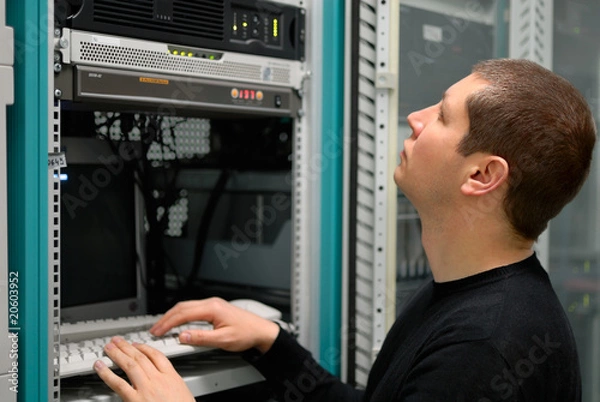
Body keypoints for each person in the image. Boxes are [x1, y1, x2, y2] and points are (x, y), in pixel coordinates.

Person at [93, 59, 597, 401]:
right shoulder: (468, 295)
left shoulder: (486, 347)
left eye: (442, 116)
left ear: (482, 176)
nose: (414, 119)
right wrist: (273, 343)